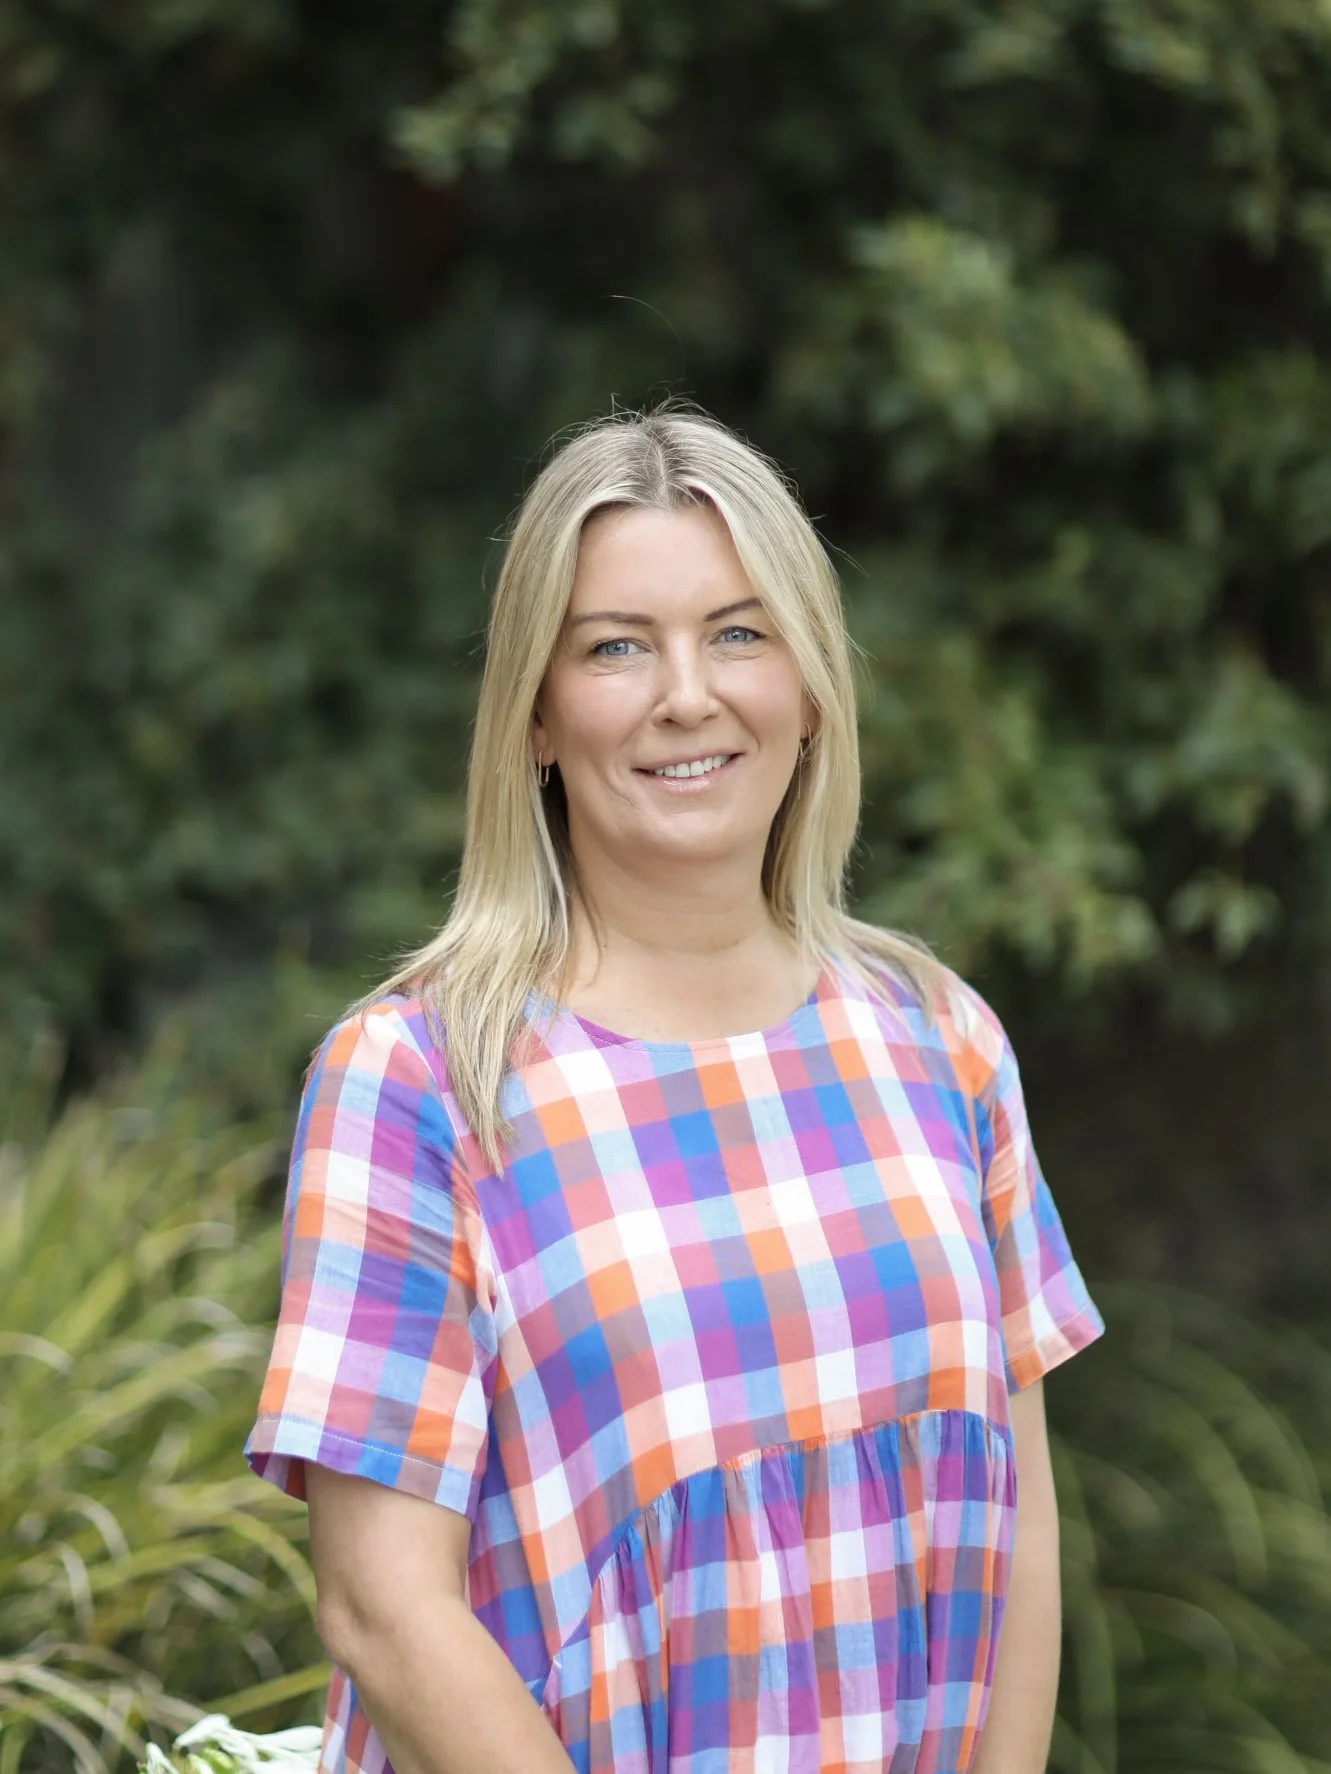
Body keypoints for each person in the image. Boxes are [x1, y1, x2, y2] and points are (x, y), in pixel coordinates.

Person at [244, 406, 1104, 1774]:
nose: (686, 693)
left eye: (739, 632)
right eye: (615, 646)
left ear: (812, 684)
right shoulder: (417, 1081)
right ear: (534, 712)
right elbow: (382, 1607)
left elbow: (1019, 1521)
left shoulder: (940, 1042)